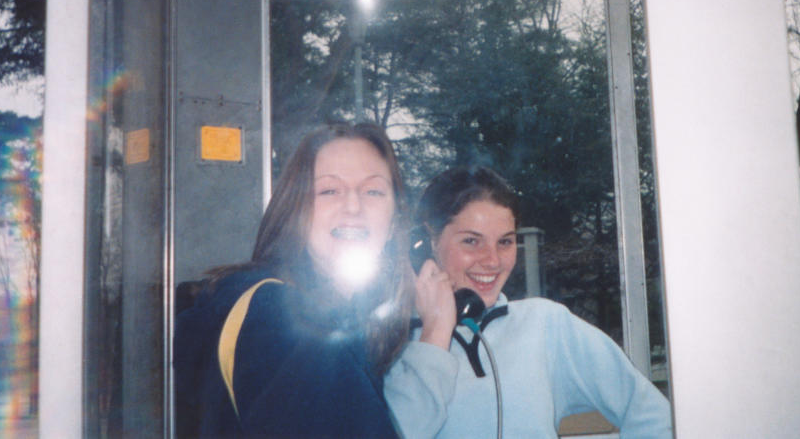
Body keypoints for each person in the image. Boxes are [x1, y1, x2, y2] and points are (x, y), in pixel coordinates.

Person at [384, 167, 673, 439]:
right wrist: (434, 333)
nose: (493, 260)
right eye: (472, 241)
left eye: (505, 242)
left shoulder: (546, 325)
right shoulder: (393, 344)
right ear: (426, 244)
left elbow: (653, 414)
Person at [175, 122, 411, 438]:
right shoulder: (286, 325)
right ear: (295, 207)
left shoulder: (329, 318)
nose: (353, 206)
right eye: (329, 190)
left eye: (373, 191)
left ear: (395, 218)